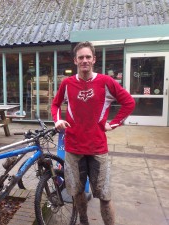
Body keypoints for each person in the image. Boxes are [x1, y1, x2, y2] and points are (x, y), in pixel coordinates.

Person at [51, 41, 135, 225]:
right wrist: (57, 120)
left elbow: (129, 102)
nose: (84, 60)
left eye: (88, 57)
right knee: (77, 191)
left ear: (94, 59)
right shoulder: (67, 83)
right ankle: (84, 221)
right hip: (73, 149)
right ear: (75, 60)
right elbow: (55, 104)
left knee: (105, 196)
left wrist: (113, 123)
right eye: (81, 57)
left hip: (98, 149)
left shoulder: (106, 82)